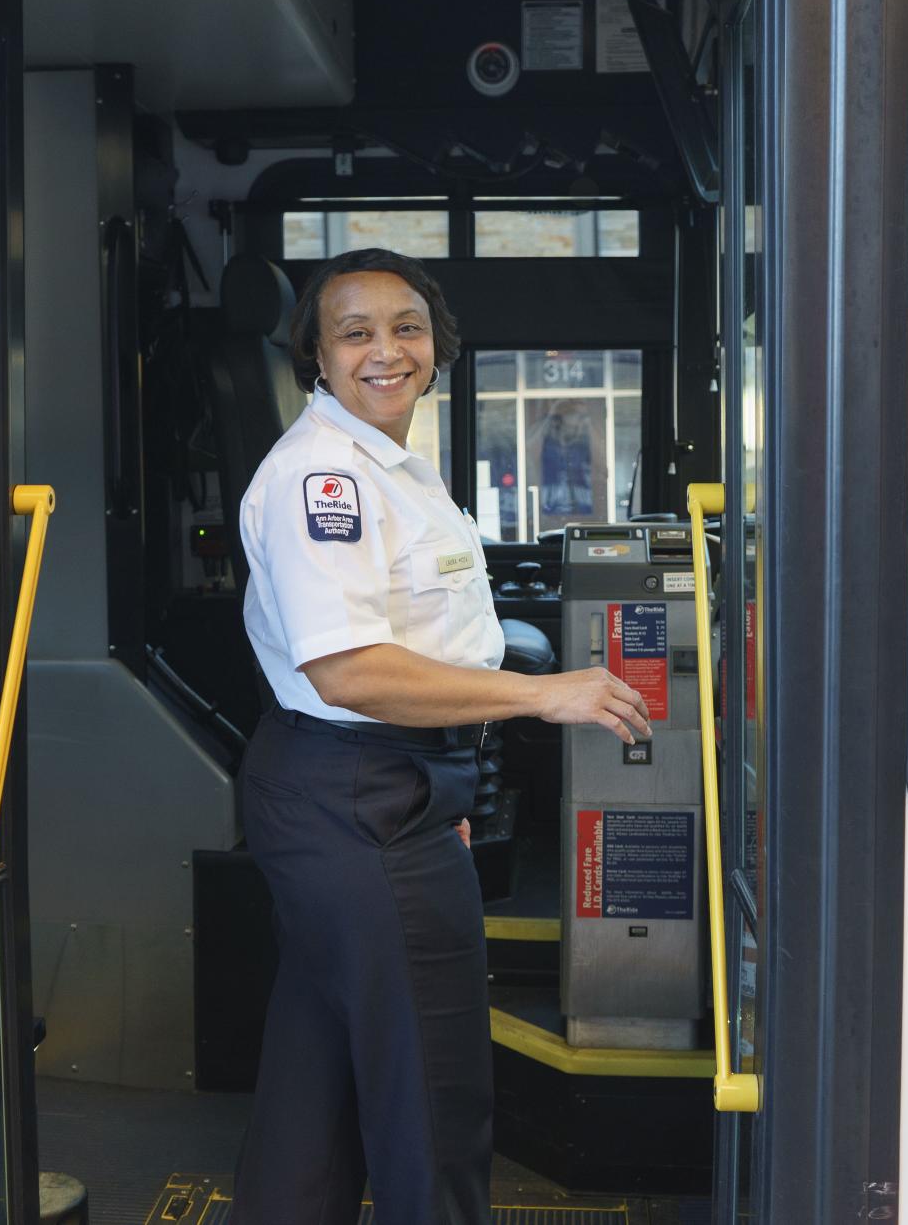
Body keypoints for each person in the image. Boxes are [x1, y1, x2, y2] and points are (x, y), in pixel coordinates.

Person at [233, 248, 650, 1224]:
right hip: (361, 798)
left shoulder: (390, 466)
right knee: (431, 1099)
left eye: (406, 327)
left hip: (381, 796)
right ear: (318, 357)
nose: (387, 349)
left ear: (437, 343)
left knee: (315, 1090)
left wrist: (447, 790)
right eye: (355, 332)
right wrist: (538, 695)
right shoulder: (321, 479)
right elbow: (351, 671)